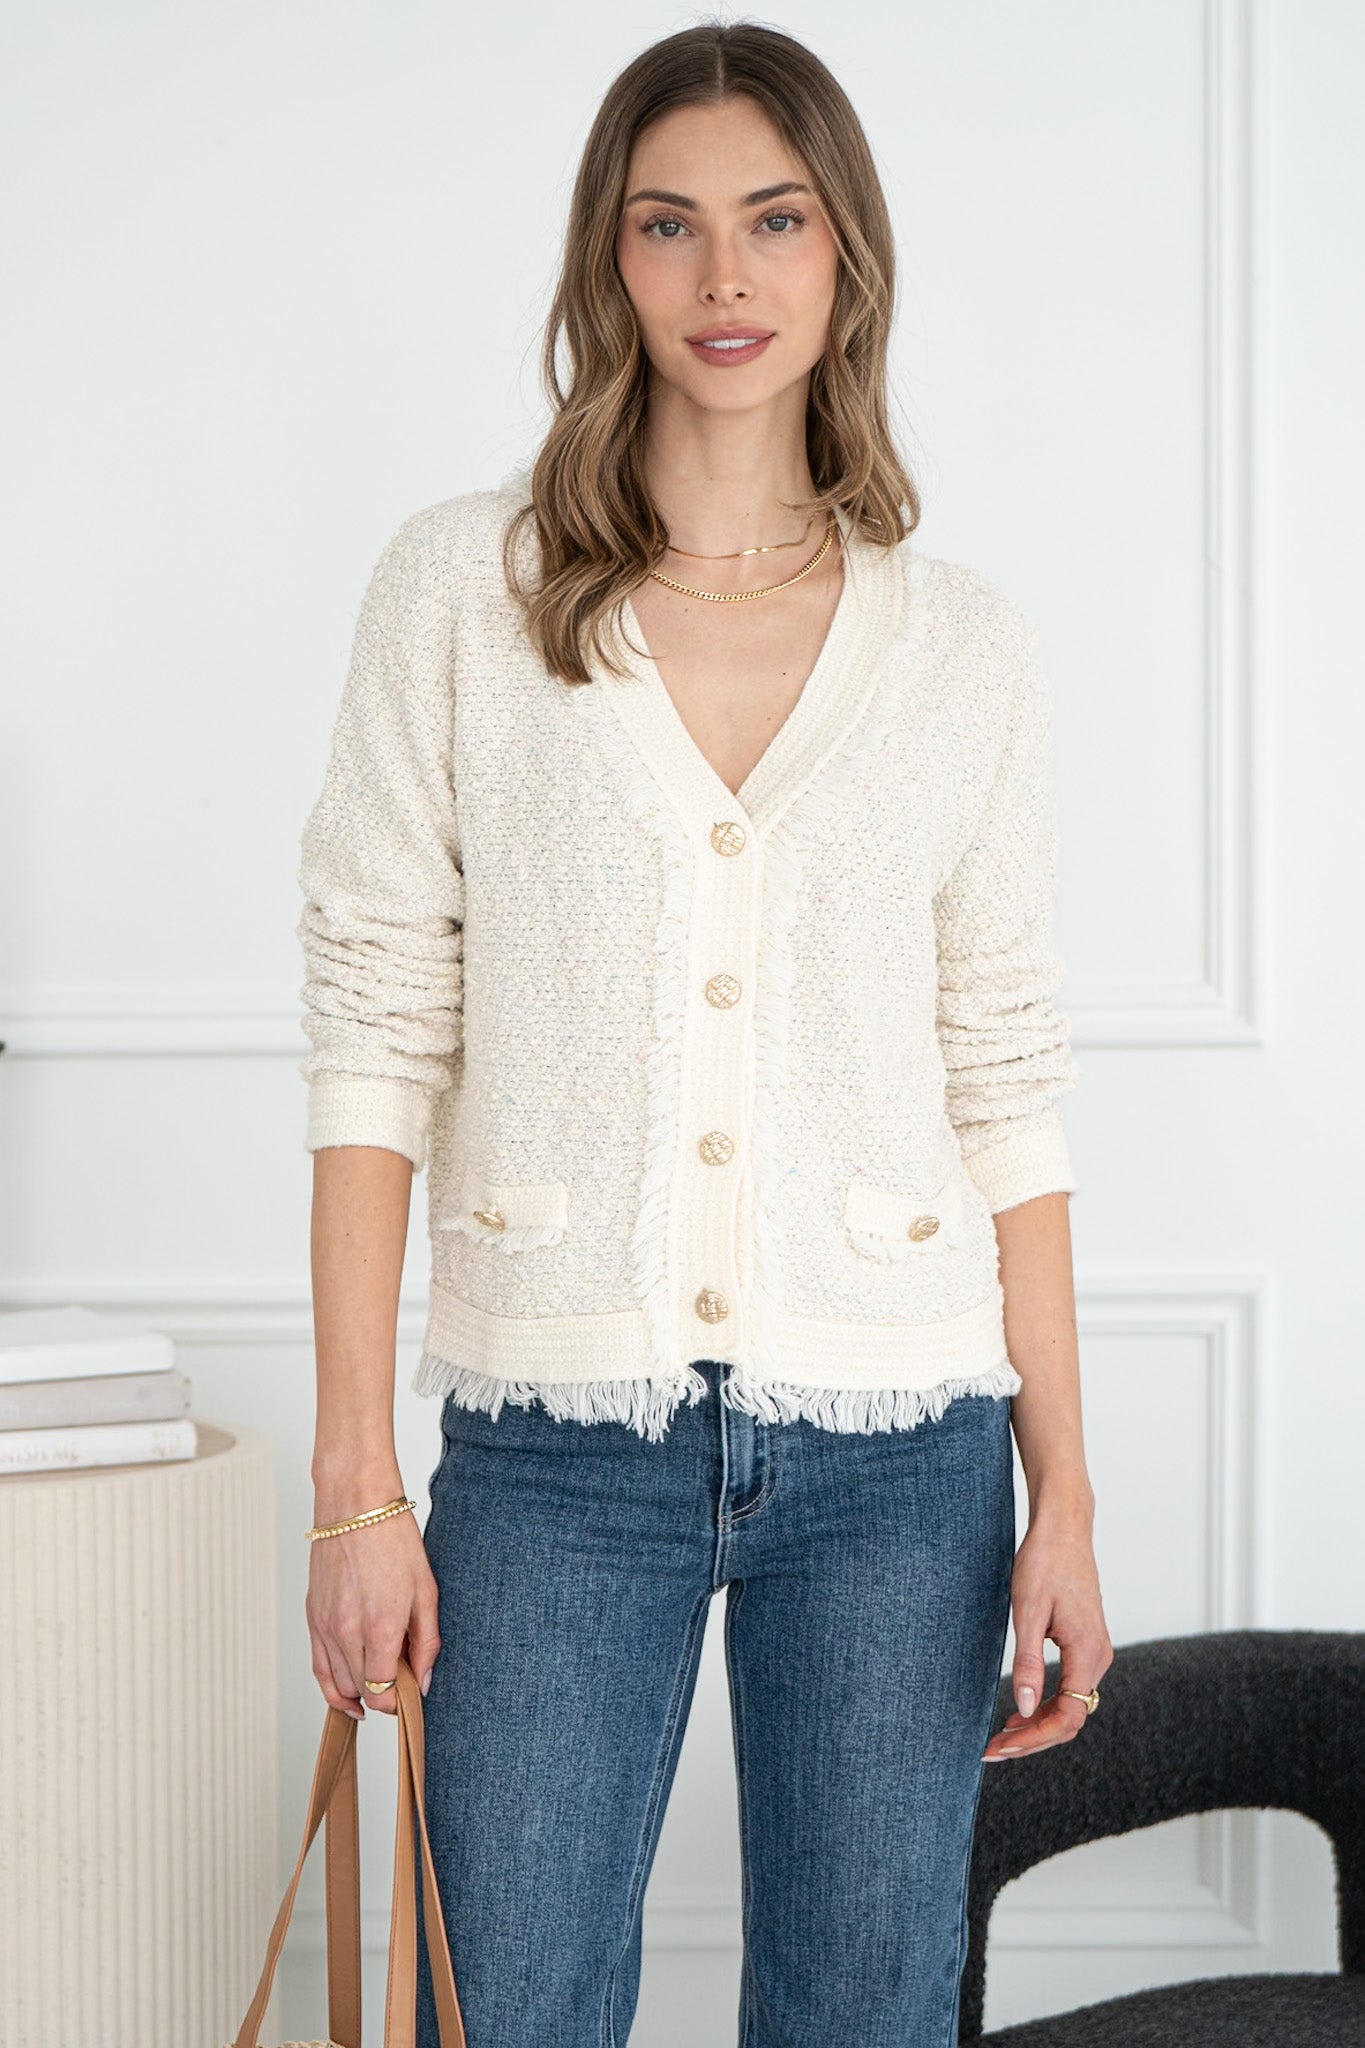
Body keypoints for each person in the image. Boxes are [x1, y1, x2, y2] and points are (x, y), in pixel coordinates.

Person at [295, 21, 1113, 2047]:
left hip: (901, 1450)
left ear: (846, 256)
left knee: (859, 2010)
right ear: (609, 257)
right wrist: (355, 1482)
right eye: (667, 225)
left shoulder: (961, 644)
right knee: (505, 2003)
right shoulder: (461, 594)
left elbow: (1002, 1070)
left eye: (774, 221)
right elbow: (377, 1031)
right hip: (554, 1446)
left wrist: (1066, 1498)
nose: (723, 277)